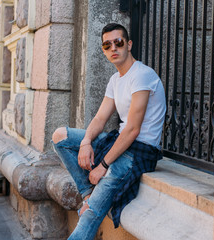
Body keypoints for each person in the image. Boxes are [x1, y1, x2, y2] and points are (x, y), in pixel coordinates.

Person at [52, 23, 166, 240]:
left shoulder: (142, 75)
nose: (113, 48)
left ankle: (90, 202)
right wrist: (86, 142)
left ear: (129, 44)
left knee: (89, 214)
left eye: (118, 42)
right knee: (61, 137)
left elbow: (132, 130)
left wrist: (103, 166)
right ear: (104, 51)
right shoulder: (115, 80)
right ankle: (87, 193)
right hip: (120, 143)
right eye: (107, 45)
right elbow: (100, 118)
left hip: (138, 152)